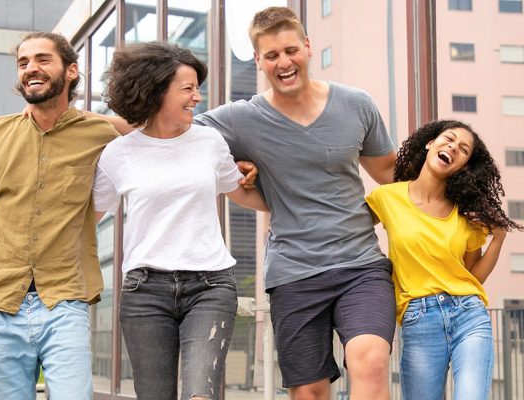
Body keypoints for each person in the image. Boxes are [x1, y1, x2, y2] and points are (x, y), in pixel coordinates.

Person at [98, 6, 397, 400]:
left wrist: (451, 203)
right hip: (294, 270)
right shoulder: (237, 120)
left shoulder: (356, 104)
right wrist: (71, 120)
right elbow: (157, 123)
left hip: (360, 263)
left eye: (291, 50)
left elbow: (391, 174)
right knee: (308, 391)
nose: (284, 62)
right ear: (258, 61)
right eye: (271, 55)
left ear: (307, 47)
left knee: (371, 361)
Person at [0, 32, 121, 399]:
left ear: (72, 71)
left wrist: (94, 118)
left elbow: (159, 134)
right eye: (24, 62)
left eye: (43, 59)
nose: (31, 68)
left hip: (65, 299)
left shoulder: (100, 134)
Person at [92, 42, 268, 400]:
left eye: (197, 88)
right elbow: (86, 218)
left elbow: (242, 193)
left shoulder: (210, 142)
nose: (197, 98)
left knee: (201, 394)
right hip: (144, 292)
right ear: (155, 91)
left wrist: (285, 189)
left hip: (210, 286)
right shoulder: (118, 154)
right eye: (188, 89)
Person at [365, 120, 523, 400]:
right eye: (449, 139)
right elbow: (346, 228)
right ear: (430, 143)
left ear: (463, 166)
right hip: (418, 318)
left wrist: (498, 239)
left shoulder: (466, 215)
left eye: (463, 149)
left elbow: (474, 275)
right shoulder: (387, 197)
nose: (454, 147)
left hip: (468, 314)